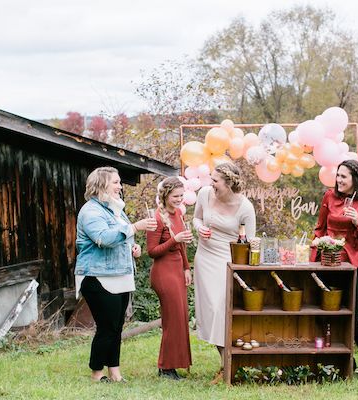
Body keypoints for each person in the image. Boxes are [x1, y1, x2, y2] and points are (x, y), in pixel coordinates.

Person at [74, 166, 157, 383]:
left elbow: (122, 239)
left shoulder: (115, 210)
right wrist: (135, 228)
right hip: (98, 277)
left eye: (119, 182)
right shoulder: (91, 211)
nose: (120, 186)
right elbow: (104, 238)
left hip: (120, 275)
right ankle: (96, 373)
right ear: (101, 184)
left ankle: (115, 372)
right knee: (107, 327)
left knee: (117, 327)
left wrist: (133, 248)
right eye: (116, 182)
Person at [310, 159, 358, 376]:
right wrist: (315, 247)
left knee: (352, 312)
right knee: (327, 310)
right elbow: (320, 228)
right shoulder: (329, 196)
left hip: (356, 261)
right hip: (330, 260)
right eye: (338, 175)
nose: (339, 180)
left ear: (355, 180)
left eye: (344, 176)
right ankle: (339, 358)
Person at [192, 162, 256, 383]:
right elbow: (197, 217)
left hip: (227, 261)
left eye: (216, 180)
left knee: (221, 309)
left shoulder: (245, 207)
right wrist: (199, 227)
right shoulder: (205, 194)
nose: (212, 184)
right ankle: (225, 363)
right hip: (205, 258)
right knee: (210, 312)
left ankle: (230, 363)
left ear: (229, 183)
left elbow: (249, 242)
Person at [146, 177, 193, 380]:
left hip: (177, 270)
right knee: (172, 320)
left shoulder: (179, 213)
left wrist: (186, 268)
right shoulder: (157, 218)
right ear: (165, 195)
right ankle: (165, 367)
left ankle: (174, 364)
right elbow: (152, 251)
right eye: (176, 196)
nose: (180, 199)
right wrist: (174, 239)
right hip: (163, 273)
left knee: (180, 318)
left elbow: (181, 247)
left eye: (182, 196)